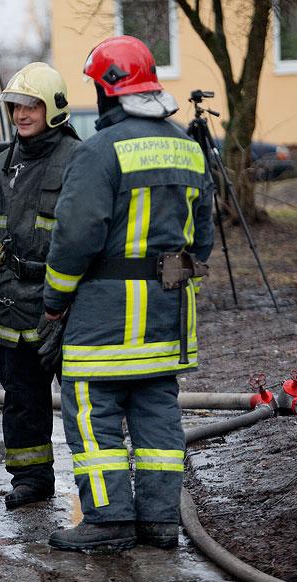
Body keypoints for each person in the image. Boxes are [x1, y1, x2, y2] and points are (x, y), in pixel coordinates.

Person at [42, 36, 214, 552]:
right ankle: (161, 522)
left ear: (106, 91)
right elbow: (201, 238)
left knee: (93, 417)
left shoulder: (98, 152)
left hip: (103, 318)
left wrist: (54, 301)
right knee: (158, 416)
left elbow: (75, 237)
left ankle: (108, 520)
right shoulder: (188, 145)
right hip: (168, 314)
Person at [0, 63, 80, 510]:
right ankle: (30, 478)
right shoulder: (3, 165)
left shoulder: (76, 160)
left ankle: (96, 483)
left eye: (30, 105)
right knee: (22, 399)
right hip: (12, 301)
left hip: (63, 303)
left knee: (82, 399)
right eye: (15, 106)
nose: (21, 114)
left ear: (54, 108)